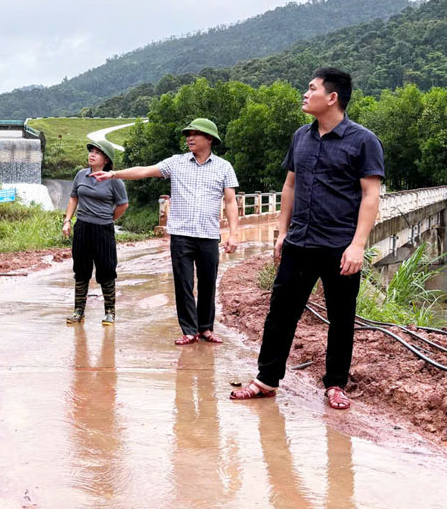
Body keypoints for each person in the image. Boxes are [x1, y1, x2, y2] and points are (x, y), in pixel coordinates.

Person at [230, 67, 383, 410]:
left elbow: (371, 195)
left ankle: (336, 385)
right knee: (281, 313)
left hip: (341, 246)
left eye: (310, 88)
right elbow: (290, 186)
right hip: (300, 242)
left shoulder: (363, 141)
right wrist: (282, 233)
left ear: (332, 98)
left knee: (342, 317)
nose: (304, 93)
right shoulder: (301, 136)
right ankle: (266, 380)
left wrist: (358, 244)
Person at [93, 118, 239, 344]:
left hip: (209, 234)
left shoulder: (224, 167)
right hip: (181, 234)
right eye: (188, 134)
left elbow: (231, 201)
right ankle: (189, 330)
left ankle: (206, 328)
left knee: (209, 282)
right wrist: (114, 174)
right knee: (184, 283)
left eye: (195, 134)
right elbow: (145, 171)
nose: (190, 138)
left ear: (209, 139)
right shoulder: (176, 163)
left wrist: (234, 234)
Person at [62, 139, 129, 325]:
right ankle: (78, 312)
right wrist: (67, 221)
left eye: (97, 152)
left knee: (107, 269)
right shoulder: (81, 175)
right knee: (81, 269)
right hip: (82, 227)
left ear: (106, 160)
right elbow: (73, 198)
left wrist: (108, 218)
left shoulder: (114, 181)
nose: (92, 154)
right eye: (91, 151)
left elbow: (123, 204)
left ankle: (110, 312)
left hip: (103, 230)